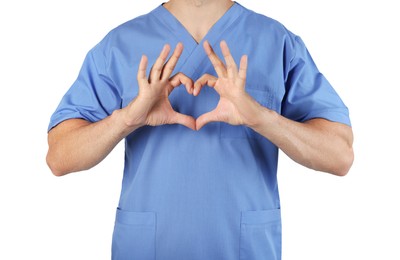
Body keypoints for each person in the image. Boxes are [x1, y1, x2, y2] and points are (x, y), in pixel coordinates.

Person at [46, 0, 354, 259]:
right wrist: (128, 118)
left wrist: (260, 117)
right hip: (146, 248)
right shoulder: (119, 45)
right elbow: (59, 157)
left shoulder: (276, 42)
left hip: (244, 248)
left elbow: (339, 155)